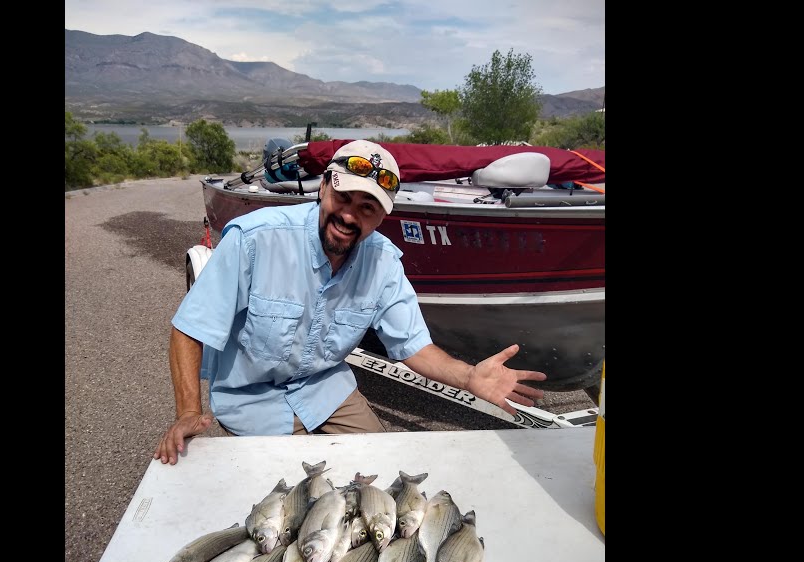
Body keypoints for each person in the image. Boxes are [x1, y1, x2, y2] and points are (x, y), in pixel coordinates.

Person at [154, 140, 546, 464]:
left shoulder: (383, 263)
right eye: (344, 197)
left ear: (381, 217)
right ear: (324, 187)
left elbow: (413, 346)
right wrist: (188, 412)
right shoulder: (256, 239)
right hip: (251, 400)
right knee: (283, 505)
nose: (349, 216)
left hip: (326, 391)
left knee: (379, 473)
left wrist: (469, 377)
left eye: (367, 208)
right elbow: (191, 328)